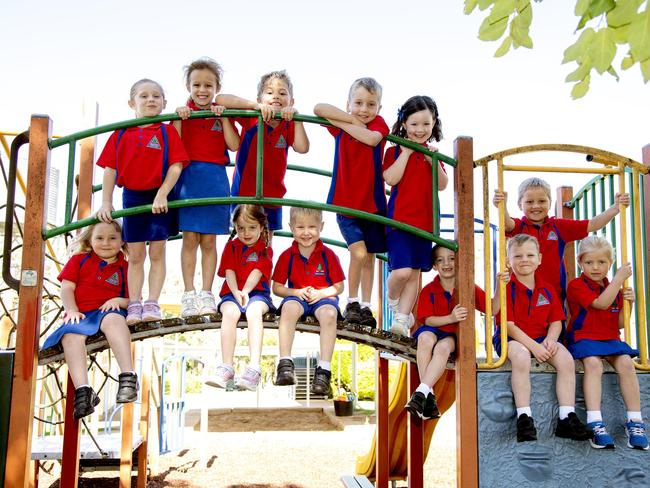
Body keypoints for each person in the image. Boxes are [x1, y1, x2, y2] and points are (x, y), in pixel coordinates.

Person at [97, 79, 189, 324]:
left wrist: (163, 192)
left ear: (164, 103)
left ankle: (152, 302)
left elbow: (176, 165)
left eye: (157, 96)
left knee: (158, 251)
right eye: (144, 96)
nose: (151, 100)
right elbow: (110, 168)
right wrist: (106, 202)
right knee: (136, 254)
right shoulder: (121, 132)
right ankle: (135, 302)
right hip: (133, 196)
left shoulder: (167, 131)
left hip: (160, 195)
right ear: (132, 103)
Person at [496, 234, 591, 443]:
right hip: (512, 338)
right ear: (508, 261)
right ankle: (524, 417)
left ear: (539, 258)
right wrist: (534, 347)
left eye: (530, 255)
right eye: (517, 256)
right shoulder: (507, 289)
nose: (524, 259)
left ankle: (566, 417)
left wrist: (550, 339)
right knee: (521, 356)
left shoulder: (547, 289)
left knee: (565, 360)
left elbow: (557, 320)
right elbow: (509, 327)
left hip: (541, 336)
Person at [313, 77, 389, 328]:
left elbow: (371, 140)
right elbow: (319, 108)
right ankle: (352, 301)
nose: (364, 110)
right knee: (358, 252)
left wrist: (346, 122)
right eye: (358, 103)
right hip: (345, 203)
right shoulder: (348, 120)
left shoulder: (379, 124)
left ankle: (366, 306)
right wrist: (350, 119)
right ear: (348, 103)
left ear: (379, 107)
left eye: (371, 104)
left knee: (370, 258)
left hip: (374, 204)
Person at [42, 221, 137, 419]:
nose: (106, 243)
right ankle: (83, 391)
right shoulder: (80, 260)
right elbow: (67, 288)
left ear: (122, 241)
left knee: (113, 320)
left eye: (113, 238)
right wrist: (71, 309)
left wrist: (119, 301)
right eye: (99, 238)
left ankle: (128, 377)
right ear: (90, 240)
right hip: (82, 314)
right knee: (70, 335)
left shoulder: (126, 267)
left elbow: (134, 300)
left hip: (108, 312)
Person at [406, 244, 507, 419]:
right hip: (433, 328)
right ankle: (426, 394)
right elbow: (428, 320)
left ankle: (422, 392)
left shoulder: (468, 288)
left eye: (452, 258)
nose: (447, 263)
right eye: (440, 260)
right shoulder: (429, 290)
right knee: (425, 340)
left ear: (459, 262)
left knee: (442, 349)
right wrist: (451, 318)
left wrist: (500, 285)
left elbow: (493, 308)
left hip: (452, 335)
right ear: (435, 266)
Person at [566, 235, 648, 450]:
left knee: (627, 364)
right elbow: (601, 304)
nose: (595, 267)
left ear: (609, 264)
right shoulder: (576, 285)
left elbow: (619, 323)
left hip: (610, 338)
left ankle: (635, 421)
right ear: (579, 262)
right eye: (589, 262)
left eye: (601, 262)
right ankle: (595, 422)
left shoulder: (613, 289)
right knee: (593, 364)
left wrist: (627, 304)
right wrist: (619, 280)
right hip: (584, 337)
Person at [173, 58, 240, 318]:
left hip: (215, 179)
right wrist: (179, 118)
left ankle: (206, 291)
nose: (202, 90)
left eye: (208, 85)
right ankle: (189, 293)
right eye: (196, 85)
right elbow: (174, 145)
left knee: (209, 240)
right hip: (190, 178)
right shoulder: (183, 113)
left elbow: (234, 145)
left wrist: (223, 118)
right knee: (190, 238)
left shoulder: (220, 112)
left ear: (217, 87)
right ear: (188, 86)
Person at [493, 177, 629, 300]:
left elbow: (592, 224)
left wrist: (615, 208)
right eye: (529, 202)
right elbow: (506, 223)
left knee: (556, 325)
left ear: (550, 203)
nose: (536, 206)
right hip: (521, 293)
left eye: (541, 201)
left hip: (554, 292)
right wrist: (502, 206)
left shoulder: (558, 226)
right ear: (519, 204)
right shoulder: (519, 227)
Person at [382, 95, 448, 336]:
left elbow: (442, 185)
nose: (420, 130)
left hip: (425, 223)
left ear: (434, 124)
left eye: (426, 124)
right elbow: (390, 178)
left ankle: (401, 319)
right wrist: (407, 154)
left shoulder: (433, 155)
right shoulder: (394, 149)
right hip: (400, 222)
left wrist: (433, 161)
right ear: (403, 124)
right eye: (414, 124)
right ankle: (392, 298)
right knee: (402, 272)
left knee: (415, 274)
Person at [218, 70, 309, 233]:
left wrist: (297, 118)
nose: (276, 96)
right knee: (243, 239)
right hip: (245, 195)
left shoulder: (288, 125)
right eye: (269, 92)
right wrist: (255, 107)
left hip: (272, 197)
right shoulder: (253, 117)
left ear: (291, 102)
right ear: (260, 100)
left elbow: (302, 148)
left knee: (266, 242)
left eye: (282, 93)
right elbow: (220, 99)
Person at [271, 207, 345, 395]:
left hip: (323, 299)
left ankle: (324, 370)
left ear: (321, 227)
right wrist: (295, 292)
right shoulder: (287, 256)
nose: (306, 232)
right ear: (291, 228)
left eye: (312, 227)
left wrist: (321, 294)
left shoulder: (328, 255)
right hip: (298, 297)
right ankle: (285, 363)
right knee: (288, 308)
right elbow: (277, 287)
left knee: (329, 314)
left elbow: (339, 287)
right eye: (300, 227)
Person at [205, 205, 274, 391]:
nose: (246, 233)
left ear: (261, 227)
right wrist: (236, 292)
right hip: (232, 292)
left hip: (257, 294)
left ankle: (253, 367)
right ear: (235, 227)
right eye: (241, 228)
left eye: (252, 227)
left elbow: (257, 273)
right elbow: (229, 271)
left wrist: (245, 292)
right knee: (229, 312)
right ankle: (226, 366)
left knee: (253, 312)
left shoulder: (265, 249)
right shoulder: (231, 246)